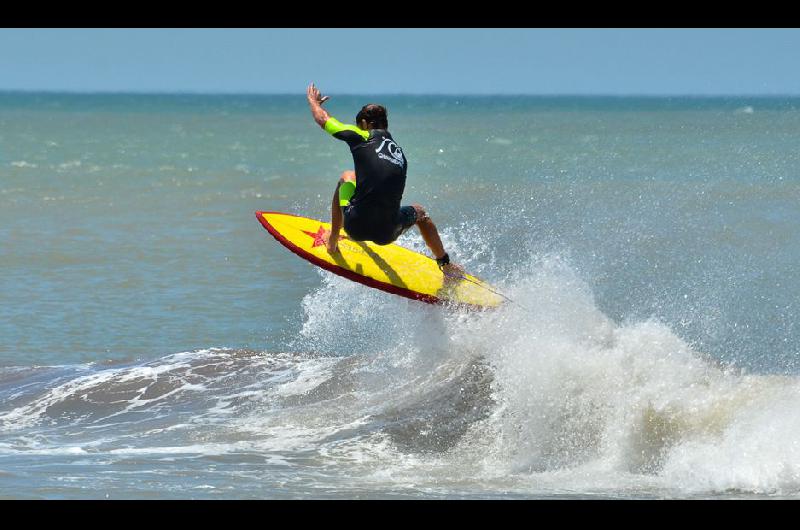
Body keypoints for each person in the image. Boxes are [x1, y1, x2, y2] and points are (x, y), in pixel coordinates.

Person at [306, 83, 462, 276]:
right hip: (387, 232)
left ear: (364, 124)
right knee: (420, 213)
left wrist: (314, 103)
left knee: (346, 177)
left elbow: (323, 119)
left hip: (355, 225)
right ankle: (445, 264)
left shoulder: (362, 135)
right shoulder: (399, 154)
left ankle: (332, 241)